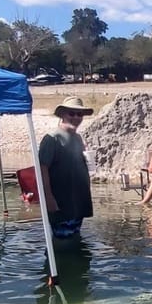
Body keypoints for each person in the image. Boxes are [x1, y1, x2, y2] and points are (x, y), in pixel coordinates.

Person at [38, 96, 94, 238]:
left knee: (75, 237)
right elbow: (42, 169)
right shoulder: (52, 138)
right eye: (71, 113)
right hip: (61, 202)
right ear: (62, 114)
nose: (76, 117)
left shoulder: (78, 138)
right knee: (63, 240)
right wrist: (49, 198)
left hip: (78, 201)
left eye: (79, 114)